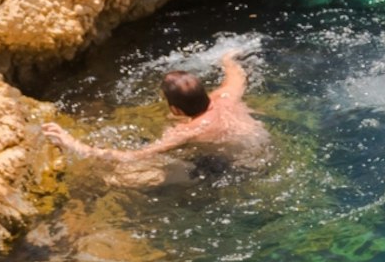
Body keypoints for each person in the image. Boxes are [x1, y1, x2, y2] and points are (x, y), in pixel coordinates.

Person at [49, 51, 269, 185]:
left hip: (240, 169)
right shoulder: (226, 96)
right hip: (264, 152)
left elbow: (133, 156)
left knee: (121, 177)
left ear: (176, 110)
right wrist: (227, 58)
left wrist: (73, 144)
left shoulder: (187, 131)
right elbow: (236, 73)